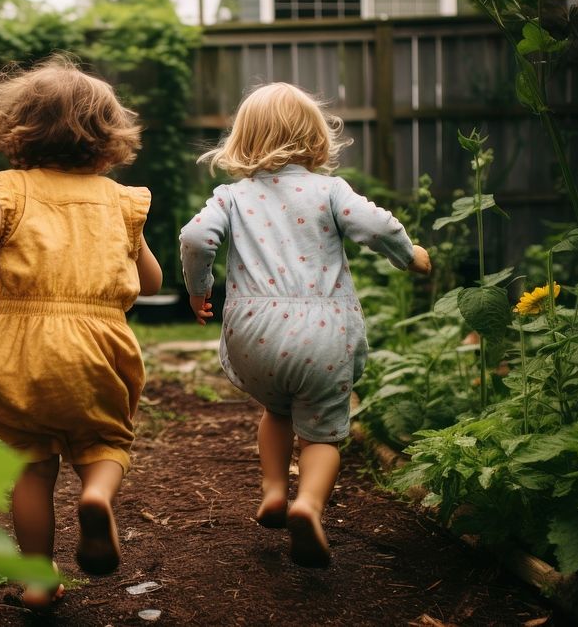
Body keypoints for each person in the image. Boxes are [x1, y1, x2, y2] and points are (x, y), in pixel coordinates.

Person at [0, 54, 162, 608]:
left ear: (18, 131)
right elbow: (148, 281)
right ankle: (97, 496)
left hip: (21, 349)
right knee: (104, 441)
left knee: (32, 465)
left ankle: (35, 579)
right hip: (100, 348)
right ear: (109, 139)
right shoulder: (123, 201)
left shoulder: (10, 190)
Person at [179, 82, 431, 567]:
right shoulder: (329, 190)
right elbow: (375, 227)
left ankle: (273, 490)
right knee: (322, 432)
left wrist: (198, 288)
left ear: (243, 141)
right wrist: (410, 255)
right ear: (316, 138)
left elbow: (195, 238)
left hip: (253, 328)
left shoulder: (230, 196)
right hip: (323, 331)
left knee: (276, 410)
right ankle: (309, 506)